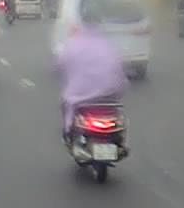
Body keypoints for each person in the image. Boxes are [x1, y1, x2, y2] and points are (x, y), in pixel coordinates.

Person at [55, 7, 129, 143]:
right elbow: (120, 71)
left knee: (65, 103)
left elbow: (61, 65)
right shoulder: (110, 44)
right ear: (100, 23)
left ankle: (68, 132)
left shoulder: (73, 43)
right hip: (110, 94)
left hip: (80, 96)